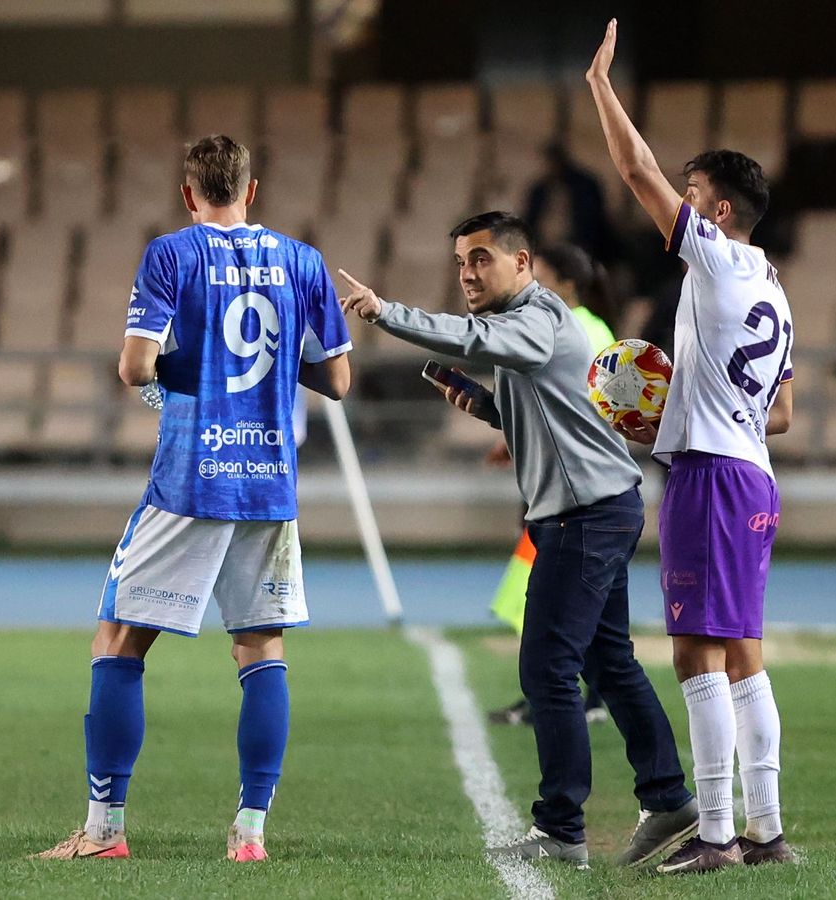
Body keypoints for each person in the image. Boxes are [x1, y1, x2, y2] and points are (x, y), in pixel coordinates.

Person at [339, 211, 697, 869]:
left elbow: (469, 335)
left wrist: (383, 311)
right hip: (600, 506)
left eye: (480, 259)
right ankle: (668, 796)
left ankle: (562, 830)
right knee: (607, 662)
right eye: (460, 264)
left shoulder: (532, 319)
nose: (467, 274)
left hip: (583, 516)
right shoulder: (538, 324)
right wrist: (484, 404)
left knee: (547, 668)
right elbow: (548, 406)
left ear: (522, 263)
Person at [34, 136, 352, 863]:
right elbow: (336, 382)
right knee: (259, 647)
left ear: (188, 194)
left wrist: (191, 371)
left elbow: (135, 365)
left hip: (190, 477)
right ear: (254, 189)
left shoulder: (171, 255)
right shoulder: (303, 262)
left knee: (118, 639)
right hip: (270, 481)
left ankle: (104, 831)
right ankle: (250, 834)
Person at [586, 19, 797, 874]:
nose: (676, 195)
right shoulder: (776, 288)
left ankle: (714, 835)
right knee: (744, 653)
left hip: (710, 479)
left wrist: (600, 86)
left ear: (715, 211)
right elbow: (782, 412)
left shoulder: (713, 257)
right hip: (753, 471)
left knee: (693, 654)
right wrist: (686, 401)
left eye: (691, 189)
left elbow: (633, 168)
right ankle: (767, 831)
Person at [489, 241, 616, 728]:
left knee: (545, 598)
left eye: (539, 272)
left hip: (567, 487)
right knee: (583, 601)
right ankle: (587, 694)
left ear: (564, 281)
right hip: (570, 479)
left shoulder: (568, 327)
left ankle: (553, 695)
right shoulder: (596, 328)